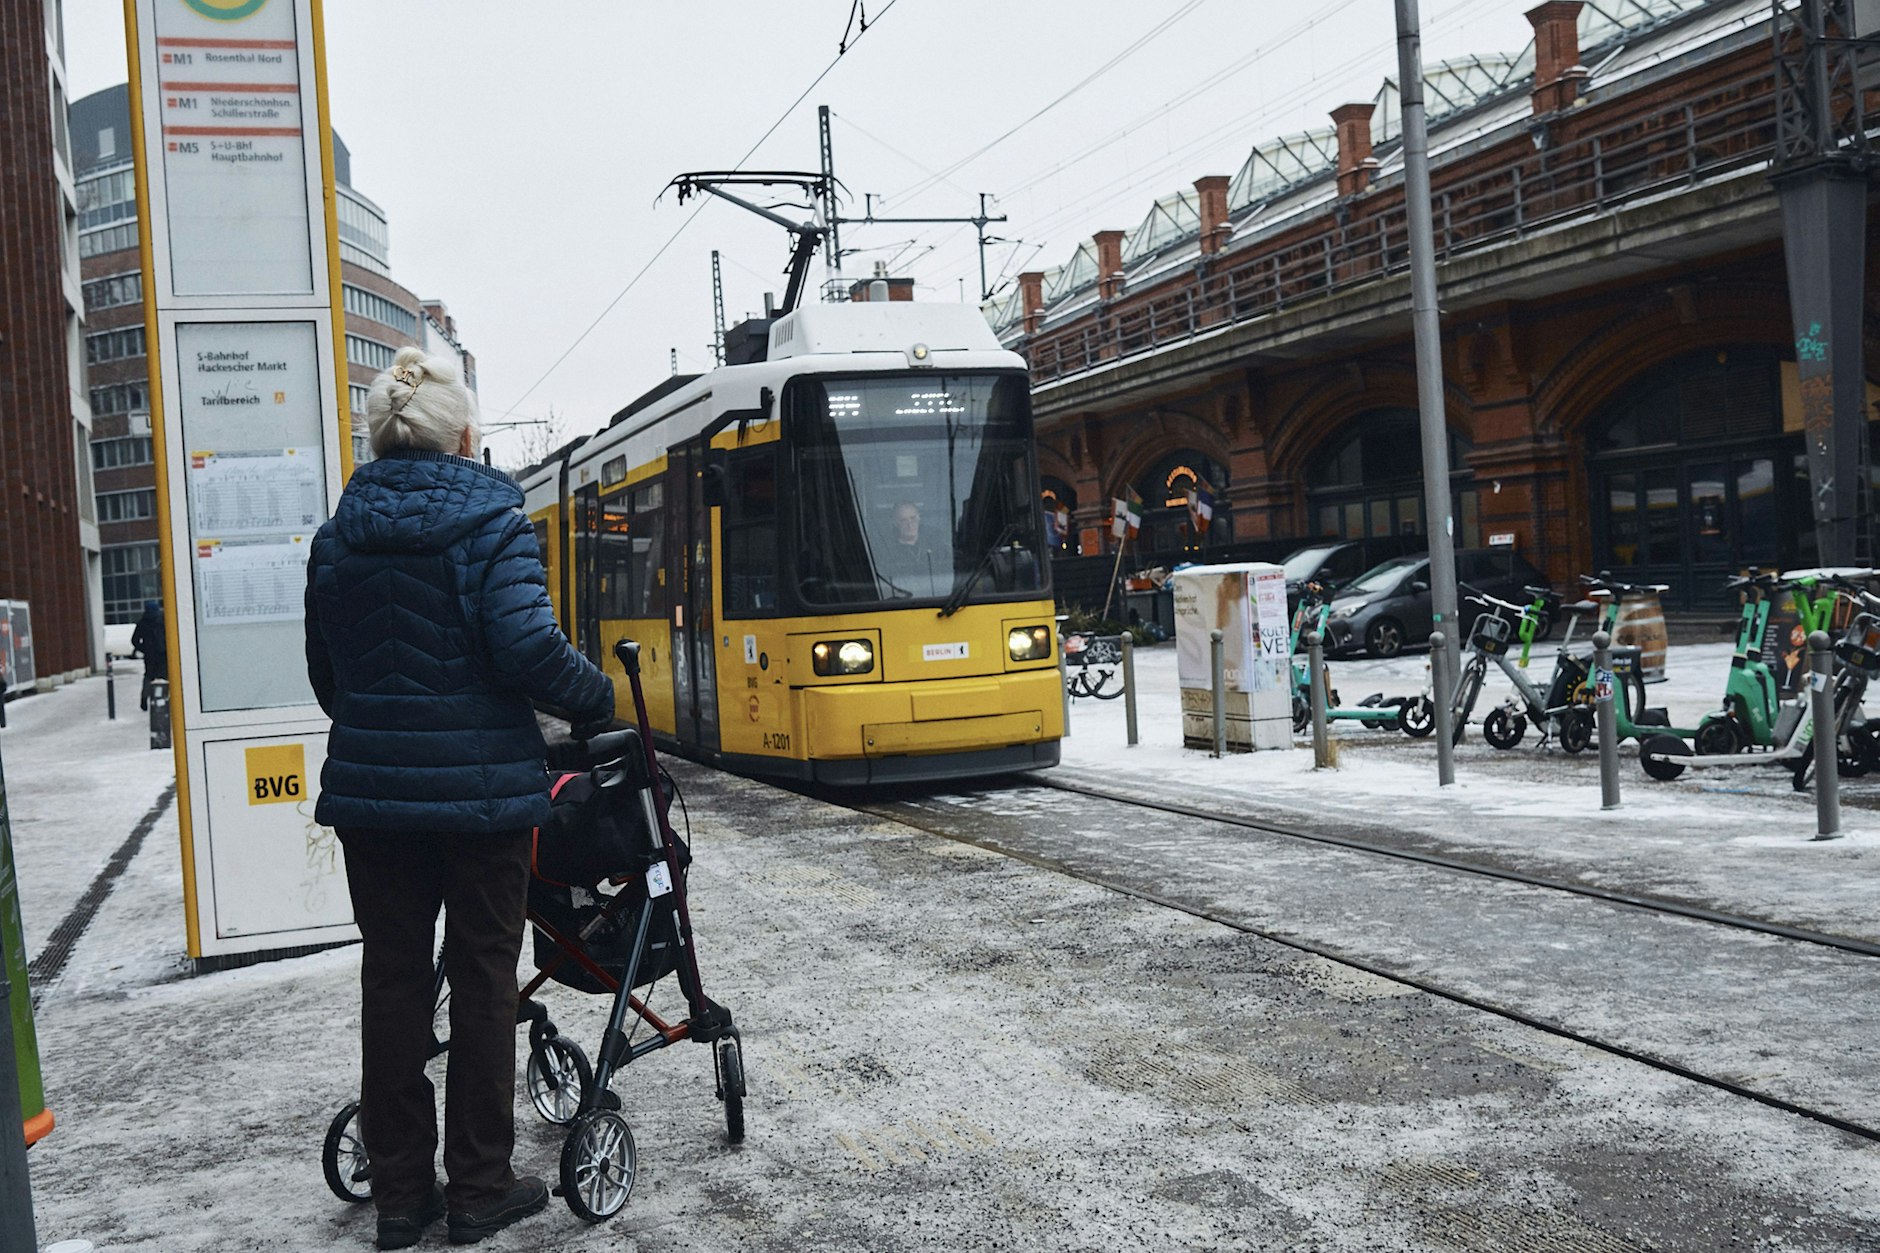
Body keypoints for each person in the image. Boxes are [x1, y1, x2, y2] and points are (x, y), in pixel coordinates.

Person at [305, 346, 614, 1250]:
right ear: (466, 437)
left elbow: (330, 677)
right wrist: (592, 696)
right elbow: (527, 648)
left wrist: (384, 728)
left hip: (373, 802)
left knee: (393, 981)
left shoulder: (337, 535)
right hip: (482, 800)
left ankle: (401, 1196)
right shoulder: (492, 524)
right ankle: (479, 1184)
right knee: (483, 976)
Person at [877, 500, 939, 597]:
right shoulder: (885, 552)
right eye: (903, 520)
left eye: (913, 518)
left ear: (919, 518)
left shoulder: (937, 546)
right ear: (895, 523)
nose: (910, 524)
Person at [130, 599, 166, 711]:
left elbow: (134, 640)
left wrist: (144, 649)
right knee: (163, 677)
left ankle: (144, 699)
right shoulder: (163, 620)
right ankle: (162, 699)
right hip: (163, 654)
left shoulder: (142, 622)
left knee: (148, 677)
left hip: (150, 656)